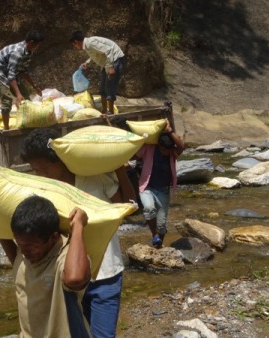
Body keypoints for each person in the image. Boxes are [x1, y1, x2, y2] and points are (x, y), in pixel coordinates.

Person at [20, 128, 136, 338]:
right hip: (67, 276)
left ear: (61, 160)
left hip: (105, 273)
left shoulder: (93, 178)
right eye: (35, 170)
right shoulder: (45, 191)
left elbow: (125, 205)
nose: (40, 175)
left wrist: (120, 170)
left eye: (44, 168)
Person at [0, 195, 91, 338]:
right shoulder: (25, 253)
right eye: (19, 244)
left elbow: (75, 279)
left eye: (30, 246)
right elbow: (18, 260)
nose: (23, 251)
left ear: (53, 238)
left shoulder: (64, 257)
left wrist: (78, 226)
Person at [134, 120, 184, 248]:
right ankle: (154, 236)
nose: (166, 153)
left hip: (163, 190)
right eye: (164, 150)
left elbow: (181, 147)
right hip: (147, 187)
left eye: (168, 150)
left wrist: (170, 131)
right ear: (159, 146)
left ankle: (158, 244)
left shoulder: (172, 153)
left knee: (161, 225)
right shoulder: (150, 148)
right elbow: (135, 150)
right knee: (149, 208)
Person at [0, 30, 44, 130]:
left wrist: (34, 87)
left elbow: (24, 71)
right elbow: (11, 74)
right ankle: (6, 129)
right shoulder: (17, 52)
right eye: (37, 45)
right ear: (30, 42)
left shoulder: (29, 52)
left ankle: (26, 124)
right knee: (7, 100)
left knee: (26, 97)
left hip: (10, 73)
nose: (37, 47)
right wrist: (18, 94)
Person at [69, 31, 125, 115]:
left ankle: (110, 113)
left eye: (74, 45)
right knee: (102, 89)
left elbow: (108, 50)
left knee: (110, 87)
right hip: (107, 63)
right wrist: (87, 62)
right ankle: (104, 111)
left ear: (76, 42)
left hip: (115, 60)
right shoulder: (87, 45)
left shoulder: (91, 43)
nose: (75, 47)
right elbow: (95, 54)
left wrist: (110, 67)